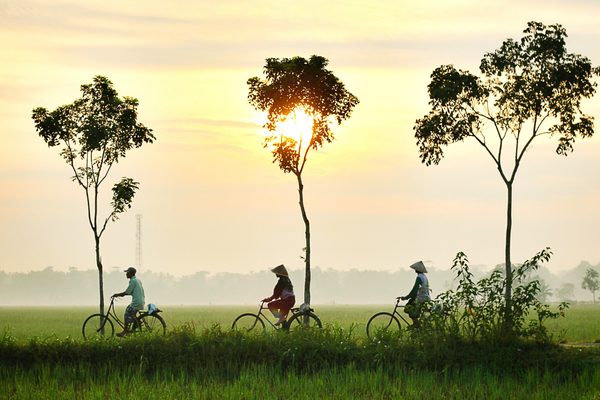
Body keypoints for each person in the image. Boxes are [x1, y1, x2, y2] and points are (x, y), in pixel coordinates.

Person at [113, 267, 145, 337]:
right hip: (140, 301)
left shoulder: (133, 281)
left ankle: (125, 330)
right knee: (130, 311)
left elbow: (127, 292)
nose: (126, 274)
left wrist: (117, 295)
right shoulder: (137, 280)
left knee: (127, 313)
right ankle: (137, 321)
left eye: (127, 273)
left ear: (131, 274)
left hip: (136, 302)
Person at [400, 261, 430, 328]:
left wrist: (406, 297)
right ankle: (416, 324)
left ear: (417, 270)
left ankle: (416, 323)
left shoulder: (419, 277)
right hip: (425, 296)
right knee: (413, 307)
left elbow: (415, 289)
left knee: (408, 307)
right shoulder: (424, 277)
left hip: (421, 297)